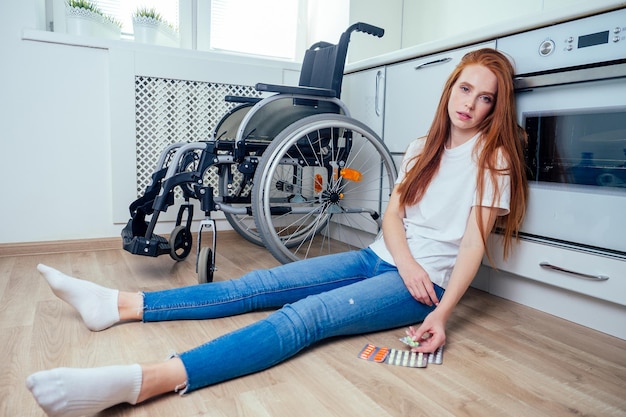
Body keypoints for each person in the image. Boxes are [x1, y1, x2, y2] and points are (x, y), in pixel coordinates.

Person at [27, 48, 528, 417]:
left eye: (486, 98)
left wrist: (440, 311)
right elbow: (394, 219)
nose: (471, 104)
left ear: (494, 108)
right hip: (381, 258)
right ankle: (119, 305)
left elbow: (472, 245)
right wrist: (406, 259)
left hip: (423, 288)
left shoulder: (494, 159)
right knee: (259, 285)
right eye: (465, 89)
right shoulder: (423, 145)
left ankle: (146, 381)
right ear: (451, 88)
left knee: (304, 317)